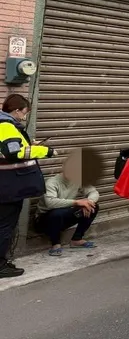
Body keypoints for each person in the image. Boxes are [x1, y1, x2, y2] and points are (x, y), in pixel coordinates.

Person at [0, 94, 55, 278]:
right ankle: (0, 265)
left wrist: (29, 145)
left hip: (7, 185)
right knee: (5, 226)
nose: (24, 116)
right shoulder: (6, 126)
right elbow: (14, 152)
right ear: (16, 110)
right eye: (24, 112)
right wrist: (44, 151)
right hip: (8, 187)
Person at [34, 150, 100, 255]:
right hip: (44, 221)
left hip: (63, 217)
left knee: (93, 206)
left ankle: (76, 240)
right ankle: (55, 244)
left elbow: (93, 192)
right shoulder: (51, 183)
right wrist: (77, 202)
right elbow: (50, 203)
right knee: (56, 213)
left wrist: (88, 202)